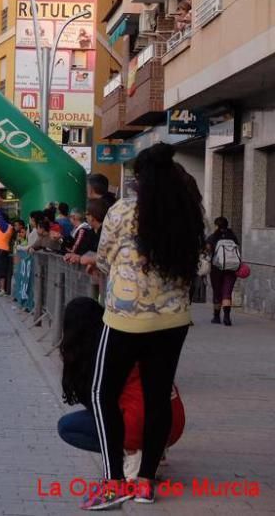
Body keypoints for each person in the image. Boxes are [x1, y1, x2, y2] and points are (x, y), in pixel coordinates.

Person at [85, 142, 204, 509]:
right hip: (173, 321)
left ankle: (114, 481)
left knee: (102, 393)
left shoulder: (122, 211)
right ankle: (146, 482)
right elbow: (198, 265)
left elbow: (103, 260)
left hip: (125, 317)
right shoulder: (187, 212)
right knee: (158, 397)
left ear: (140, 177)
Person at [58, 297, 184, 482]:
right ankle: (154, 453)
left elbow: (98, 404)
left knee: (68, 426)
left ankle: (131, 453)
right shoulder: (128, 341)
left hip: (138, 425)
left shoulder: (96, 356)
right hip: (173, 422)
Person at [206, 216, 240, 326]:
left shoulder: (213, 237)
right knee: (227, 292)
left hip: (217, 269)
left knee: (217, 292)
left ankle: (216, 317)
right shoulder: (232, 236)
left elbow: (207, 250)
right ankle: (227, 318)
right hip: (232, 268)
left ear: (216, 225)